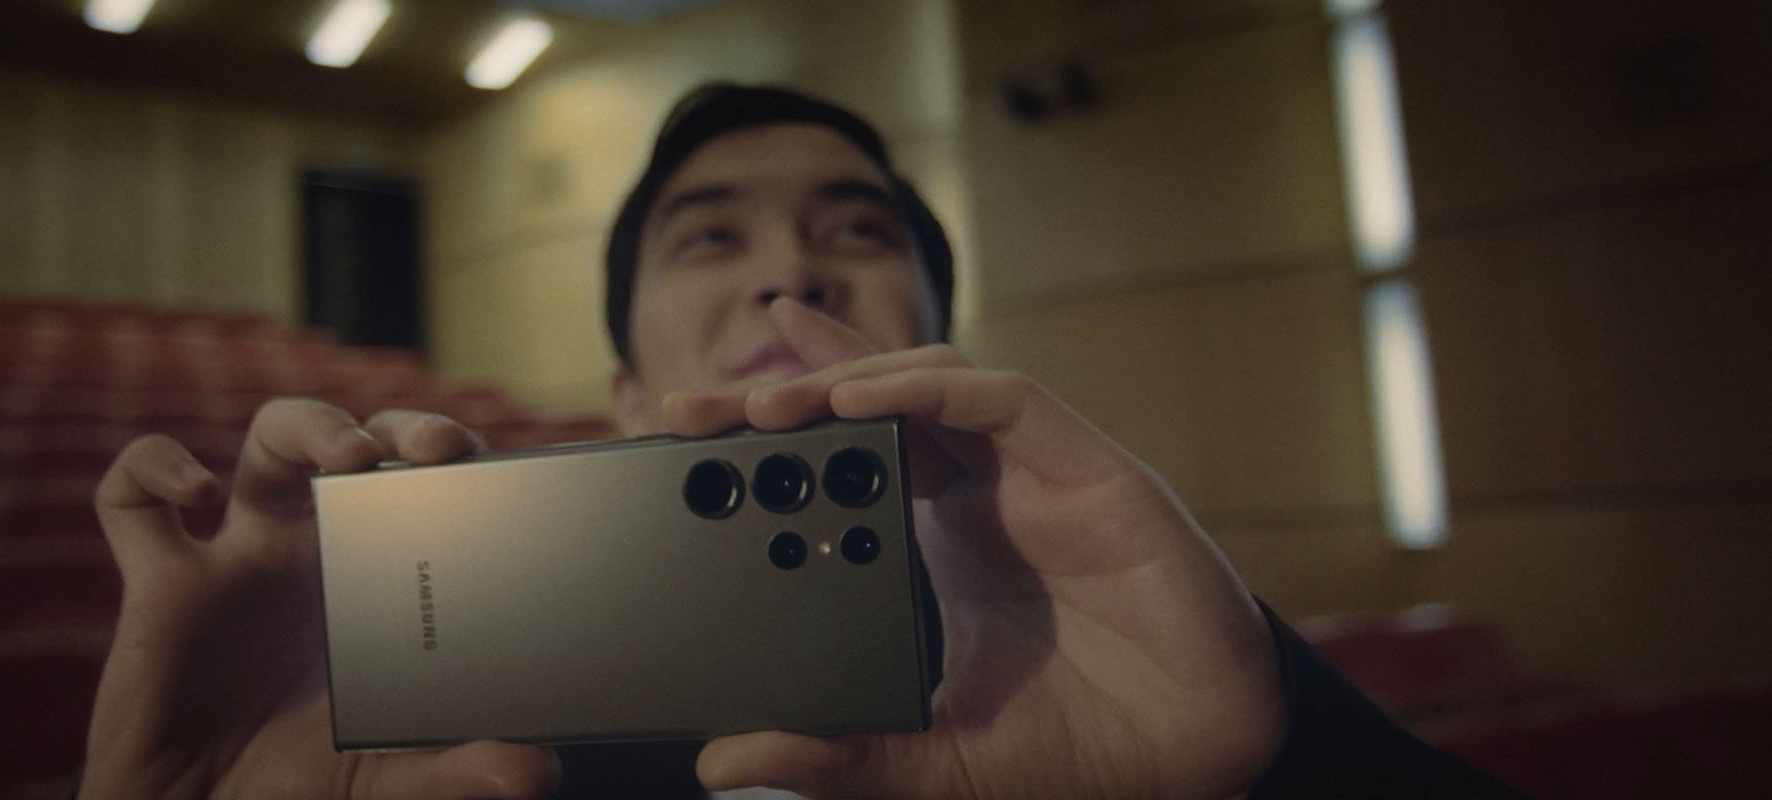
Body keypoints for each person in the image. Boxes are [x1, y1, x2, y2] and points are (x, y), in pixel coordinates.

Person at [76, 84, 1519, 799]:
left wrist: (1272, 761)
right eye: (712, 239)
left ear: (947, 344)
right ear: (625, 396)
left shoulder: (1164, 682)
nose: (792, 274)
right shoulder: (470, 760)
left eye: (857, 232)